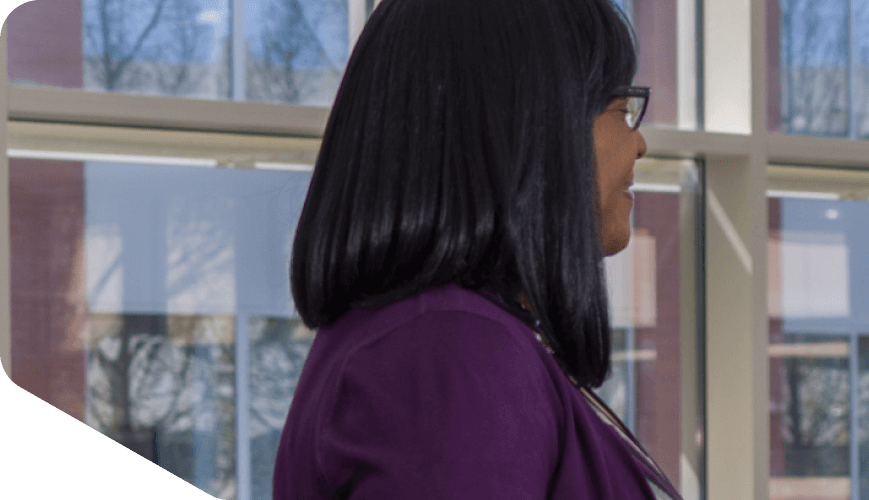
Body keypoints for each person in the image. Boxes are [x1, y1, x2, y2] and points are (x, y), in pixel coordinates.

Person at [272, 0, 678, 497]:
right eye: (620, 108)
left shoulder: (433, 338)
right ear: (532, 126)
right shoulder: (451, 350)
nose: (638, 144)